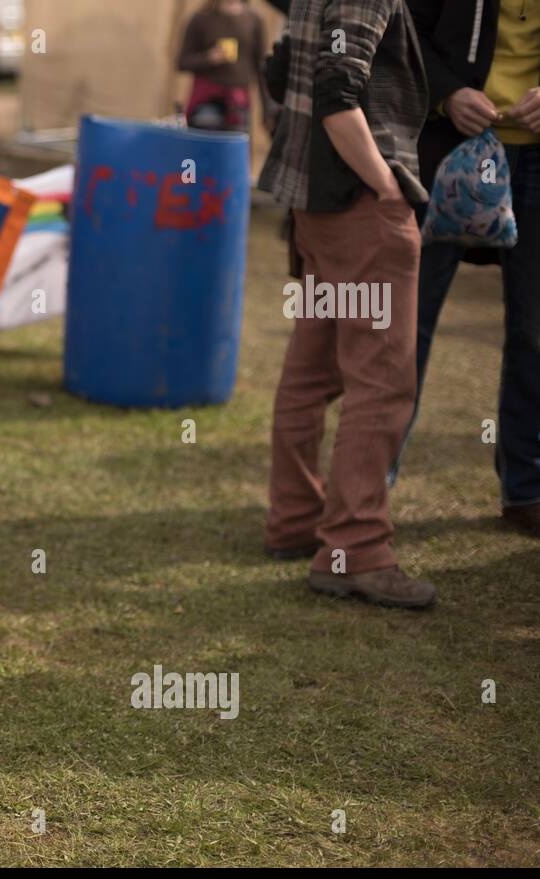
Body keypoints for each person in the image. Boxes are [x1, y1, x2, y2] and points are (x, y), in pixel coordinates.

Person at [259, 0, 436, 608]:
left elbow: (280, 70)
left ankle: (295, 522)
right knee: (381, 383)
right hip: (359, 204)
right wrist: (387, 189)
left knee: (311, 372)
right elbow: (339, 94)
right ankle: (354, 551)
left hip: (319, 205)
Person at [390, 0, 540, 538]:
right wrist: (448, 92)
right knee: (410, 321)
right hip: (446, 152)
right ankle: (370, 487)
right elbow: (400, 27)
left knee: (534, 331)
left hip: (536, 163)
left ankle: (526, 489)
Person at [177, 0, 268, 134]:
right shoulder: (201, 19)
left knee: (234, 150)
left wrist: (268, 108)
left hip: (238, 101)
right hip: (207, 99)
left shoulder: (253, 21)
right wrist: (209, 58)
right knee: (204, 149)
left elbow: (262, 68)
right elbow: (182, 62)